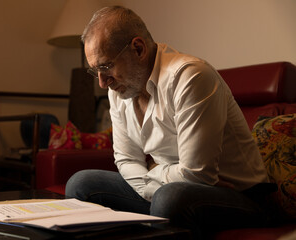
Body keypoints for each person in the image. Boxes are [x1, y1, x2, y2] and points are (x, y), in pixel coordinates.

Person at [66, 6, 275, 239]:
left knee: (170, 199)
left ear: (138, 48)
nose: (103, 83)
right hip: (169, 191)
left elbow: (197, 175)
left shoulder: (191, 77)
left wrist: (158, 177)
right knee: (81, 183)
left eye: (106, 66)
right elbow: (126, 159)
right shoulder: (120, 91)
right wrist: (154, 183)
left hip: (242, 198)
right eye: (95, 71)